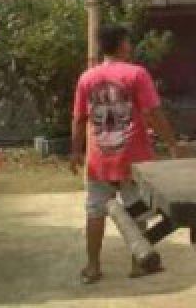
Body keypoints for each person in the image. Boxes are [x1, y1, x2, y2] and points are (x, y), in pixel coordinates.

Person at [70, 24, 178, 285]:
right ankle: (137, 263)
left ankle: (93, 267)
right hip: (133, 158)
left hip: (98, 159)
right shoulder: (137, 75)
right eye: (128, 41)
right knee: (136, 210)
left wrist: (75, 151)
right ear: (121, 44)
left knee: (95, 211)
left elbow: (79, 118)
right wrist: (172, 143)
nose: (130, 46)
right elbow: (152, 113)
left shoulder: (87, 78)